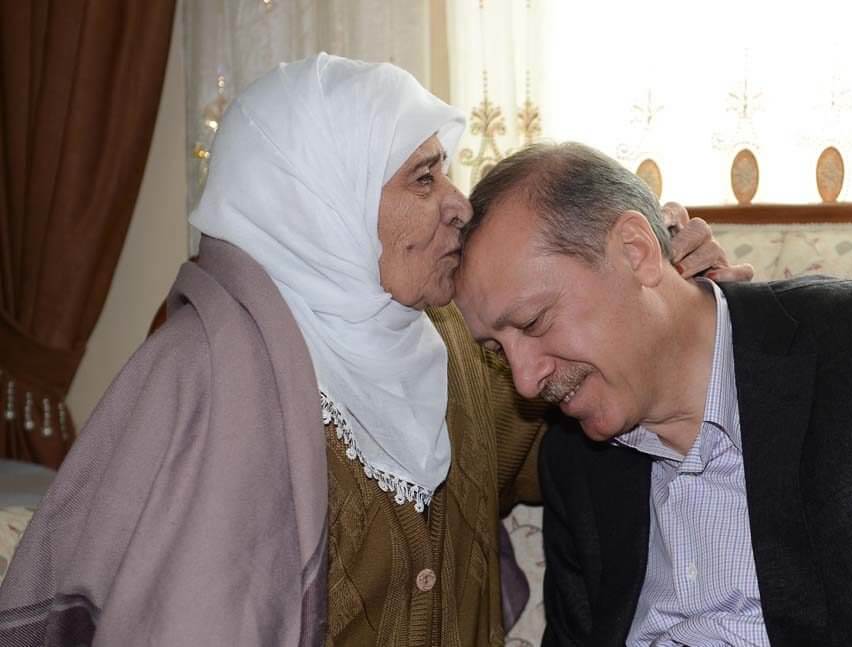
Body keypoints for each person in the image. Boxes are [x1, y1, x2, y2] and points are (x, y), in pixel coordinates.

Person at [0, 55, 745, 646]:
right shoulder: (206, 374)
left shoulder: (456, 345)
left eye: (445, 170)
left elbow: (582, 436)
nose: (459, 203)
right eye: (424, 177)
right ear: (322, 198)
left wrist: (668, 312)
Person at [455, 141, 852, 647]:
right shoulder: (574, 459)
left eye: (533, 322)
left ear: (635, 251)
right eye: (497, 350)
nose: (526, 380)